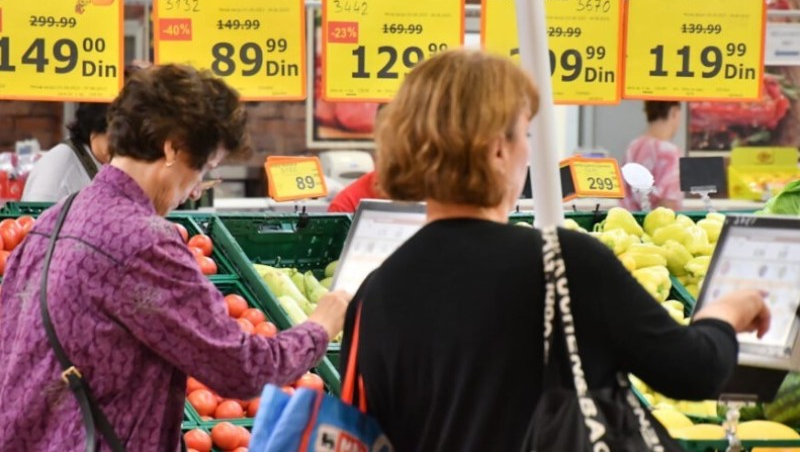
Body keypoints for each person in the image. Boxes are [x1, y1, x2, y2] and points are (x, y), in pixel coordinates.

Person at [339, 49, 770, 452]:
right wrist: (725, 312)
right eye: (525, 132)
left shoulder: (374, 293)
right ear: (496, 149)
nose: (529, 148)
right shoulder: (562, 264)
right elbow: (694, 371)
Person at [0, 64, 351, 451]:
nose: (197, 187)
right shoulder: (144, 243)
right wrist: (320, 326)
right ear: (172, 147)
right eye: (204, 167)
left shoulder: (54, 220)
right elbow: (242, 368)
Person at [21, 102, 111, 202]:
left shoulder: (105, 161)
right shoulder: (58, 169)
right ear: (94, 133)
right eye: (115, 138)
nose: (123, 147)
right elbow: (38, 215)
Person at [622, 100, 684, 211]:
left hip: (629, 223)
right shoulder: (671, 154)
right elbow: (668, 203)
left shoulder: (633, 147)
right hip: (657, 225)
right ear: (674, 112)